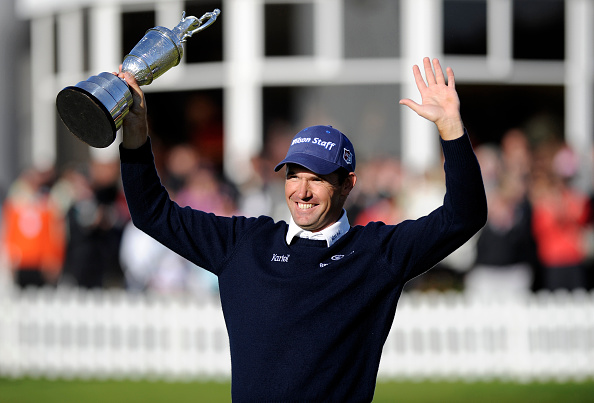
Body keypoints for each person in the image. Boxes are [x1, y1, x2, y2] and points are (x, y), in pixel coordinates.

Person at [116, 57, 487, 402]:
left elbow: (464, 217)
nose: (302, 191)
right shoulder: (244, 244)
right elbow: (152, 213)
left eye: (318, 179)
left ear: (347, 184)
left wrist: (451, 129)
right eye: (294, 176)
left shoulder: (377, 253)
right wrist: (134, 136)